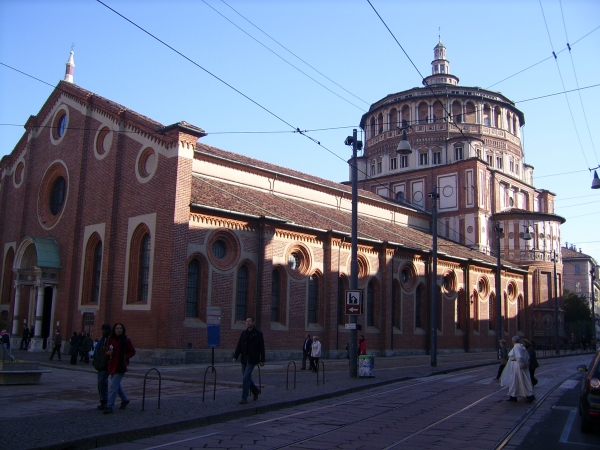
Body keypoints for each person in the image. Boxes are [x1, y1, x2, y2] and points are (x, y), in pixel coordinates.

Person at [104, 323, 136, 414]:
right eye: (117, 328)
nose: (119, 330)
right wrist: (107, 353)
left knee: (113, 387)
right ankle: (125, 400)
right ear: (114, 330)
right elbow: (106, 351)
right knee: (117, 387)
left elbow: (132, 351)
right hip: (112, 365)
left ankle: (109, 406)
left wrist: (126, 357)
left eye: (120, 328)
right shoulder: (111, 339)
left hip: (121, 366)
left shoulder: (126, 340)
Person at [233, 317, 265, 405]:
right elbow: (239, 345)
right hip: (244, 358)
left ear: (253, 323)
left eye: (249, 321)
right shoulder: (243, 333)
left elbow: (262, 347)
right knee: (246, 377)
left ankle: (244, 397)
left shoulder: (258, 334)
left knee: (245, 377)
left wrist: (262, 360)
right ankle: (255, 391)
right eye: (246, 321)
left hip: (252, 359)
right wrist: (235, 356)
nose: (247, 323)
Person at [501, 336, 535, 402]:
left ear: (513, 341)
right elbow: (527, 357)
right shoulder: (522, 347)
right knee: (524, 381)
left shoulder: (516, 347)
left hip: (517, 367)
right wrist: (525, 364)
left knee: (515, 381)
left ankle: (513, 396)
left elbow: (519, 357)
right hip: (521, 366)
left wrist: (521, 365)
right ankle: (529, 395)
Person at [93, 324, 111, 410]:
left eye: (105, 330)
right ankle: (103, 400)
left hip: (106, 364)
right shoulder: (102, 340)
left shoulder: (109, 340)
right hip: (100, 364)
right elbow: (96, 350)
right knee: (100, 383)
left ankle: (105, 400)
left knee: (102, 382)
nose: (103, 332)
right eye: (102, 330)